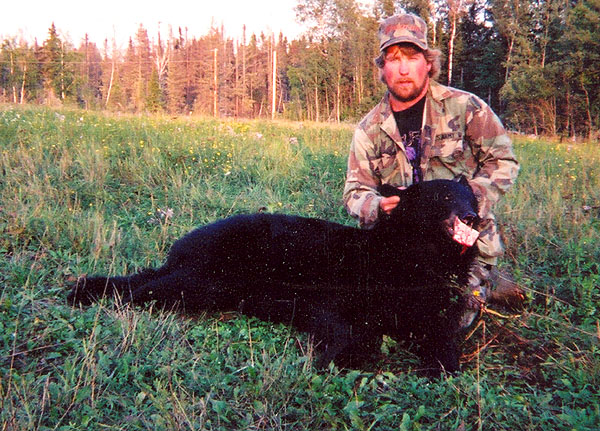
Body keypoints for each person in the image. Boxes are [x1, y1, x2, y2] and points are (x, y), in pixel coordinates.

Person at [343, 13, 523, 329]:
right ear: (382, 68)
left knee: (447, 320)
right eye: (393, 59)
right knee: (383, 315)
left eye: (412, 57)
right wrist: (377, 205)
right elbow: (355, 191)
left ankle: (486, 280)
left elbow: (503, 162)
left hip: (463, 244)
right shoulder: (369, 129)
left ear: (428, 63)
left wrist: (468, 196)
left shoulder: (466, 107)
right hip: (402, 248)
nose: (403, 69)